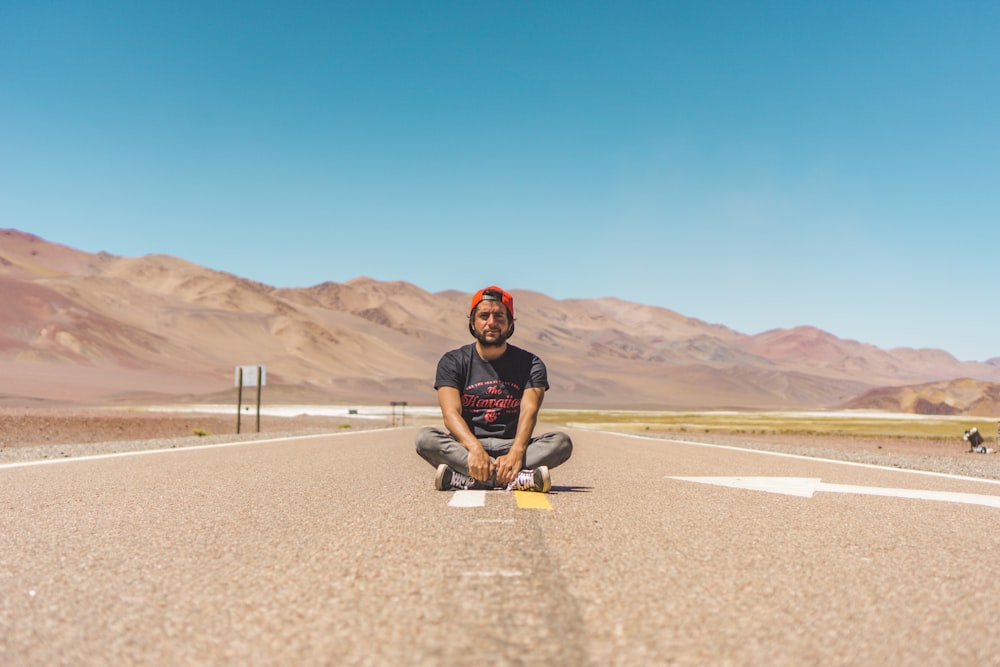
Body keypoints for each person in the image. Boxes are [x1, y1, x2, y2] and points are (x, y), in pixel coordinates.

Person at [415, 286, 573, 492]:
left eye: (499, 316)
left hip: (511, 445)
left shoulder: (531, 364)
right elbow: (450, 413)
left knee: (561, 442)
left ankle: (467, 479)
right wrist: (474, 449)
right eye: (484, 316)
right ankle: (515, 479)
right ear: (472, 322)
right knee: (425, 439)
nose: (491, 322)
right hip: (466, 447)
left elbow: (529, 411)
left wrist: (516, 452)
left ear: (510, 323)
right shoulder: (453, 361)